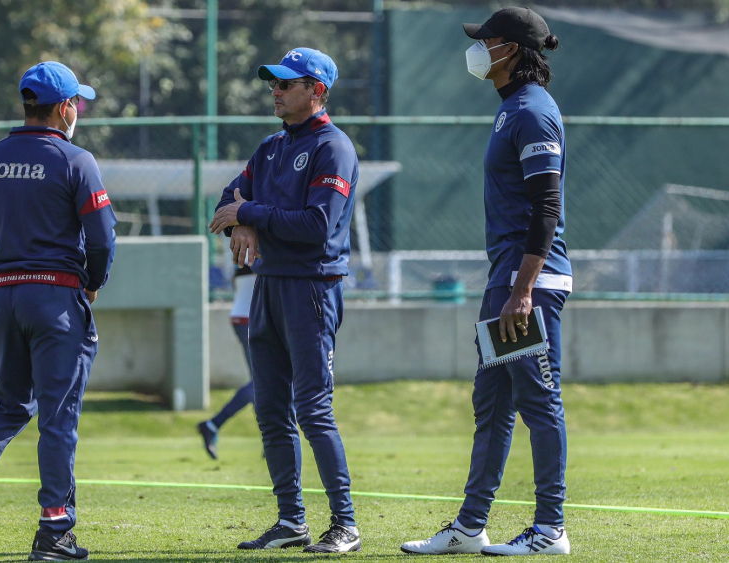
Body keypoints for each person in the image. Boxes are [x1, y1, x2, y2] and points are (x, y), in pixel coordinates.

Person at [0, 61, 117, 562]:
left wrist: (9, 273)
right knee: (58, 416)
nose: (78, 111)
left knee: (10, 405)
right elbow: (102, 239)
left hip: (2, 295)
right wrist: (91, 283)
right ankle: (55, 532)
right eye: (77, 103)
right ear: (64, 107)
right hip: (56, 299)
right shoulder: (76, 160)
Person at [400, 7, 573, 557]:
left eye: (487, 40)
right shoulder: (511, 109)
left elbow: (547, 208)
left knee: (539, 401)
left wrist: (522, 291)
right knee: (493, 402)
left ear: (511, 50)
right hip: (508, 281)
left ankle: (550, 529)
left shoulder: (534, 112)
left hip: (529, 284)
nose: (478, 49)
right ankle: (471, 527)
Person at [208, 47, 361, 554]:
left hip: (312, 288)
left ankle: (345, 525)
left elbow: (317, 225)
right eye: (273, 82)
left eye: (286, 83)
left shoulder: (333, 148)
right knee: (271, 410)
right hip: (268, 287)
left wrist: (249, 213)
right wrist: (243, 220)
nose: (275, 90)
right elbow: (228, 200)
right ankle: (291, 520)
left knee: (312, 410)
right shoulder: (271, 147)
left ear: (317, 90)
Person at [197, 264, 257, 460]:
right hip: (252, 319)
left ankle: (272, 437)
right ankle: (213, 424)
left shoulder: (245, 250)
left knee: (263, 384)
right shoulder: (263, 248)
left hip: (243, 316)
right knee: (264, 382)